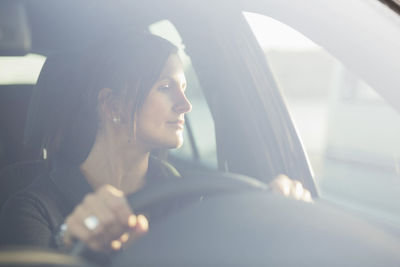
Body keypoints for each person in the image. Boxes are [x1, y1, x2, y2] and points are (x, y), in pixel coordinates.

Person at [0, 33, 311, 261]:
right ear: (113, 105)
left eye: (184, 89)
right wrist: (69, 244)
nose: (185, 105)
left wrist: (275, 216)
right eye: (165, 88)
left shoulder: (187, 199)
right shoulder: (33, 208)